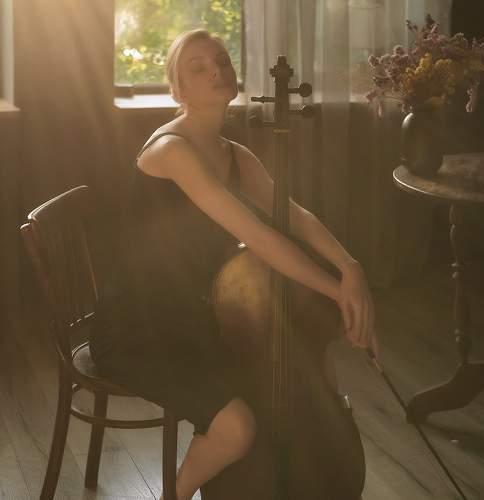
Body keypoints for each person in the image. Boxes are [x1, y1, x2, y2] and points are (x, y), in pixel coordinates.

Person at [89, 28, 378, 500]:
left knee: (273, 383)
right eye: (198, 68)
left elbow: (294, 216)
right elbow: (259, 236)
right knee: (238, 428)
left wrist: (351, 266)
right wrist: (339, 292)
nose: (216, 71)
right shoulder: (172, 151)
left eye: (222, 61)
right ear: (178, 90)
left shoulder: (233, 155)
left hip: (192, 317)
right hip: (137, 329)